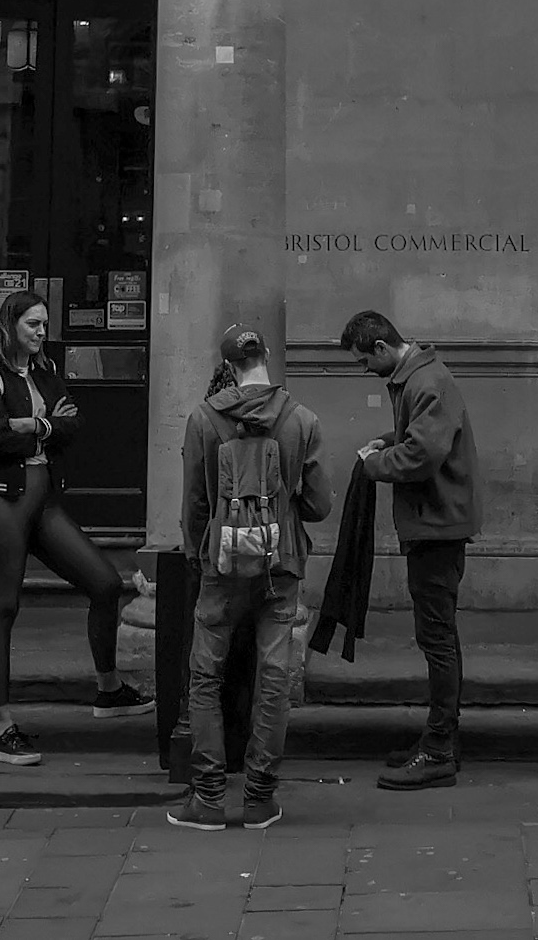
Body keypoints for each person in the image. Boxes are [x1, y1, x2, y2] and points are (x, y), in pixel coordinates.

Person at [0, 289, 146, 765]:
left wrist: (32, 425)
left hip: (43, 502)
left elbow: (75, 424)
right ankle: (2, 729)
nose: (42, 332)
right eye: (33, 324)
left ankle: (109, 689)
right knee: (3, 608)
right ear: (10, 325)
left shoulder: (46, 372)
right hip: (3, 502)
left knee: (105, 584)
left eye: (44, 324)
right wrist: (43, 426)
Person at [164, 326, 331, 834]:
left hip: (222, 565)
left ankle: (209, 798)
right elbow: (319, 505)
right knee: (274, 678)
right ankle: (259, 798)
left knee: (205, 678)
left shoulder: (203, 419)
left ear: (229, 367)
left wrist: (199, 555)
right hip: (281, 564)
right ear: (267, 357)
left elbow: (195, 503)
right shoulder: (301, 419)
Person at [342, 308, 478, 789]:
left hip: (437, 525)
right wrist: (388, 440)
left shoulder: (425, 382)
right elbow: (420, 439)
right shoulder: (418, 378)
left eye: (364, 361)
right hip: (435, 522)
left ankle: (438, 750)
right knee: (440, 636)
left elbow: (422, 456)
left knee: (436, 639)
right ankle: (443, 740)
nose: (365, 370)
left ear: (381, 347)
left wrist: (375, 463)